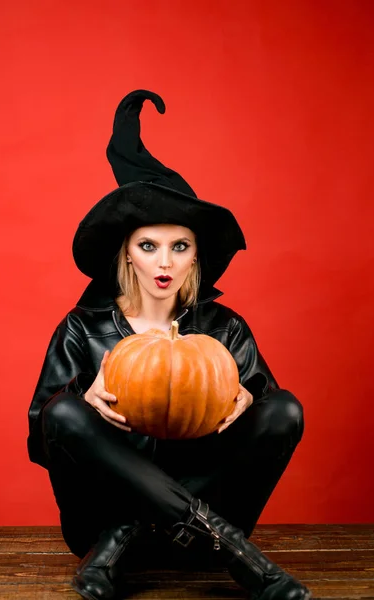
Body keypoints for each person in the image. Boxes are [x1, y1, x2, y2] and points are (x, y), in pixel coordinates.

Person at [27, 90, 312, 600]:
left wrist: (253, 396)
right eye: (148, 246)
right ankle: (233, 551)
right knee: (63, 411)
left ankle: (139, 533)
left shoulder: (225, 330)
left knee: (285, 406)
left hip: (196, 535)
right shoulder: (82, 327)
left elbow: (270, 419)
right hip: (100, 526)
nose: (164, 263)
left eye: (179, 247)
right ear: (128, 254)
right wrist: (79, 397)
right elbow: (40, 436)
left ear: (195, 257)